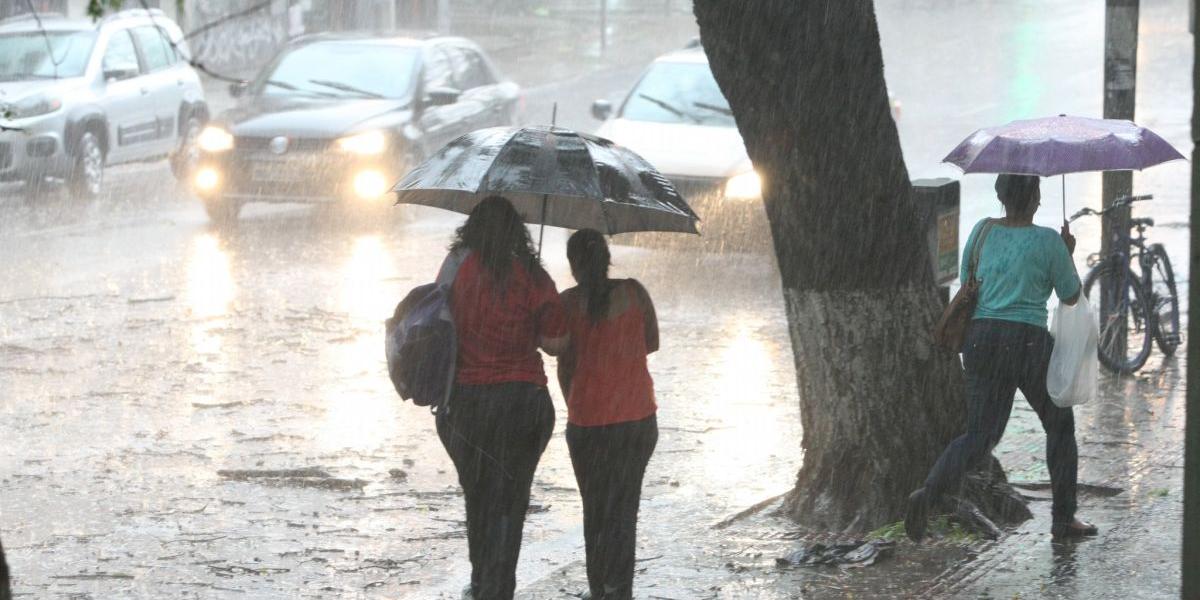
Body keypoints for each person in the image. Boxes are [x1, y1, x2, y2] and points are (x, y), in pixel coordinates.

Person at [906, 174, 1097, 542]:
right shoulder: (1047, 242)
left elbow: (968, 281)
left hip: (981, 340)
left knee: (980, 435)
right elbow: (1072, 296)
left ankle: (928, 493)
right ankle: (1063, 520)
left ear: (1000, 196)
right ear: (1037, 198)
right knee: (1059, 427)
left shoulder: (982, 232)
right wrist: (1064, 254)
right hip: (1027, 342)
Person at [438, 196, 568, 600]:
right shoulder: (531, 273)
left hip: (466, 404)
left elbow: (436, 319)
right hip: (523, 403)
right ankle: (500, 588)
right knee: (512, 500)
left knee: (478, 497)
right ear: (517, 230)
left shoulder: (457, 265)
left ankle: (481, 583)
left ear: (472, 228)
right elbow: (555, 343)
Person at [557, 229, 659, 600]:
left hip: (588, 422)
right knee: (624, 508)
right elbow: (651, 343)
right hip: (637, 418)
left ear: (573, 266)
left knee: (595, 509)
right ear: (606, 258)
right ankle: (620, 589)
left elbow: (556, 351)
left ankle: (599, 587)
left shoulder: (567, 303)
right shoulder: (634, 292)